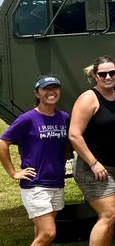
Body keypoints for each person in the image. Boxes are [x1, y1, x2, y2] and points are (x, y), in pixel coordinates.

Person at [69, 57, 115, 246]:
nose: (108, 77)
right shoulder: (88, 99)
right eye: (102, 74)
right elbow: (74, 135)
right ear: (94, 76)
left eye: (111, 73)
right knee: (109, 214)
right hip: (94, 168)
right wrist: (93, 163)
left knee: (111, 216)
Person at [0, 76, 70, 246]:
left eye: (55, 88)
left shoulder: (64, 118)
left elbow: (68, 142)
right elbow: (3, 142)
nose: (51, 92)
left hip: (56, 181)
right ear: (37, 93)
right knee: (49, 233)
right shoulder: (27, 119)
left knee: (41, 231)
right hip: (36, 184)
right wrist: (13, 172)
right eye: (46, 88)